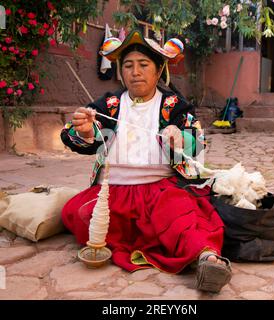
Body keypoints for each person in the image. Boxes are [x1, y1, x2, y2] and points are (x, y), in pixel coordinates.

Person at [61, 30, 232, 293]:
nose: (135, 72)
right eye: (128, 66)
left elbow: (197, 140)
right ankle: (148, 236)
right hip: (112, 192)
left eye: (143, 65)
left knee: (180, 217)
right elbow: (80, 133)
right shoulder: (110, 104)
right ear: (121, 72)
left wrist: (179, 138)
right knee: (79, 213)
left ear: (158, 70)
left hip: (159, 189)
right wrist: (84, 130)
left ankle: (207, 261)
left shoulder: (174, 104)